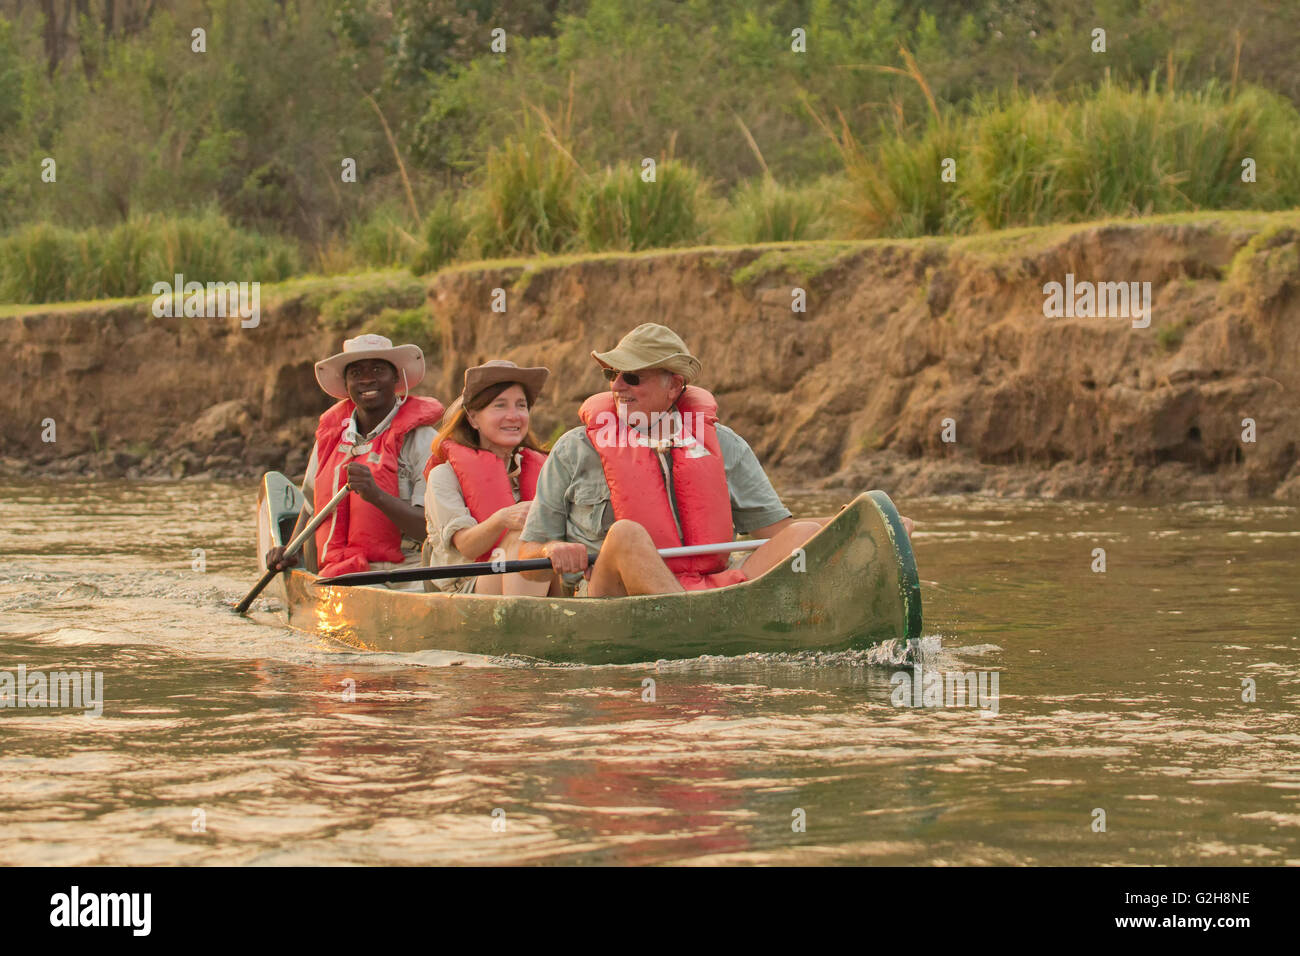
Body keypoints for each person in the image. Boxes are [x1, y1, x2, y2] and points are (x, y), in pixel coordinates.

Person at [518, 323, 847, 597]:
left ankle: (707, 623)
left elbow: (779, 533)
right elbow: (528, 558)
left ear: (674, 385)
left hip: (710, 591)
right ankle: (700, 627)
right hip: (614, 599)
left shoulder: (724, 444)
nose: (617, 385)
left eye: (632, 376)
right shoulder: (573, 449)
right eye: (612, 373)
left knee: (803, 532)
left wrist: (860, 520)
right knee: (625, 535)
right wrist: (550, 551)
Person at [264, 333, 444, 589]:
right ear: (346, 384)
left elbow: (430, 529)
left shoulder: (424, 441)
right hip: (340, 574)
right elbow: (310, 505)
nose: (367, 379)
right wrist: (292, 550)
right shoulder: (330, 438)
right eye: (356, 373)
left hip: (407, 574)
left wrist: (376, 495)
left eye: (378, 369)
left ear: (396, 378)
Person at [422, 360, 560, 596]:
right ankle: (531, 628)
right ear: (473, 418)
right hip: (467, 589)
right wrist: (502, 519)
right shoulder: (443, 476)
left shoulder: (546, 471)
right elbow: (467, 545)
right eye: (500, 406)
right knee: (522, 539)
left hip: (536, 583)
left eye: (521, 405)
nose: (513, 416)